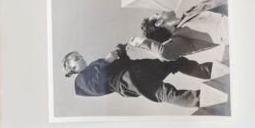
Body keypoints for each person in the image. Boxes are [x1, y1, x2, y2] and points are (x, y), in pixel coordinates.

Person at [63, 44, 214, 109]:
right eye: (76, 59)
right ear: (71, 68)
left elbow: (121, 63)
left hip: (139, 67)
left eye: (80, 56)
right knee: (165, 92)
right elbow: (98, 85)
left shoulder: (95, 64)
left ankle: (209, 71)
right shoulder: (80, 81)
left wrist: (121, 52)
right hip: (129, 79)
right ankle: (208, 98)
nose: (81, 58)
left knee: (175, 61)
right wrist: (108, 60)